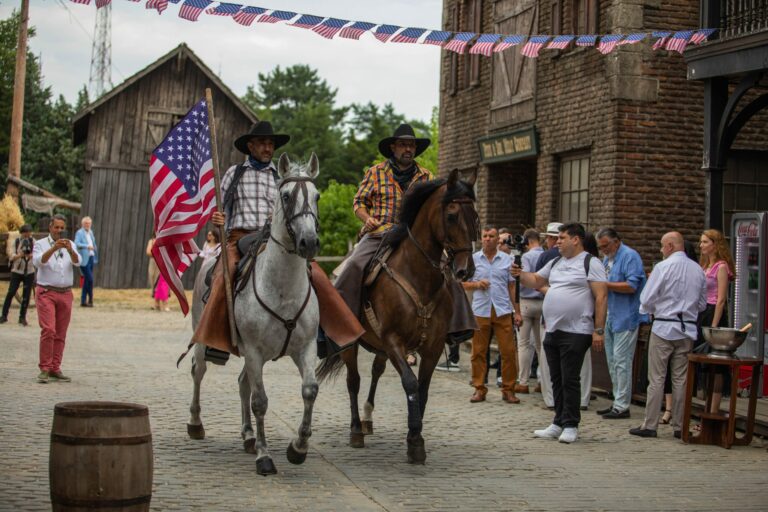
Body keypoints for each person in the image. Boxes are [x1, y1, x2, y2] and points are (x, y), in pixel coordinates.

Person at [332, 123, 476, 355]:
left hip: (414, 236)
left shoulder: (426, 176)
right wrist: (366, 218)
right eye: (403, 145)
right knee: (355, 265)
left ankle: (458, 326)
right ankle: (335, 320)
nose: (408, 149)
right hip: (380, 232)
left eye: (411, 145)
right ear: (393, 148)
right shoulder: (375, 172)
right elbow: (358, 202)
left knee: (446, 269)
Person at [191, 121, 290, 353]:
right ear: (250, 146)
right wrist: (217, 218)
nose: (268, 148)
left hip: (273, 240)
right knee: (221, 276)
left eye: (271, 144)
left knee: (309, 271)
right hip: (239, 238)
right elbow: (219, 206)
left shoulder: (280, 177)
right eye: (263, 143)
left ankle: (319, 334)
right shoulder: (234, 173)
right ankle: (217, 338)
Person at [515, 222, 608, 443]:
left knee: (570, 378)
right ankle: (558, 421)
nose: (557, 242)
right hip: (553, 328)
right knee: (556, 377)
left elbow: (601, 297)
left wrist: (598, 330)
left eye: (562, 238)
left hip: (578, 329)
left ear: (576, 239)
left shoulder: (590, 262)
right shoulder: (557, 261)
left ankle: (571, 424)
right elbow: (536, 280)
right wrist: (520, 274)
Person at [629, 232, 706, 439]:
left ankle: (650, 424)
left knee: (656, 378)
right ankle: (680, 426)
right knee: (680, 379)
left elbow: (646, 298)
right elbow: (701, 304)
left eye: (662, 246)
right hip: (687, 329)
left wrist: (655, 307)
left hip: (664, 327)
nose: (661, 250)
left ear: (670, 246)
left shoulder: (662, 267)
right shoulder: (698, 270)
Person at [463, 227, 522, 404]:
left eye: (492, 236)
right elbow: (460, 283)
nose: (488, 239)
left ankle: (508, 389)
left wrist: (517, 311)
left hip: (502, 310)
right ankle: (479, 388)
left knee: (508, 352)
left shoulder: (507, 259)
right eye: (485, 236)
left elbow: (512, 287)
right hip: (480, 310)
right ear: (481, 239)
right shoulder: (473, 260)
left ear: (498, 240)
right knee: (478, 352)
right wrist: (476, 284)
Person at [595, 228, 646, 420]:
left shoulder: (630, 256)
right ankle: (617, 400)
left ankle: (623, 405)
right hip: (611, 314)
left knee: (622, 360)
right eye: (601, 247)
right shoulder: (606, 259)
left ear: (616, 241)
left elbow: (632, 285)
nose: (604, 250)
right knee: (612, 360)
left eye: (606, 245)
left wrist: (604, 284)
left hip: (626, 315)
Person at [32, 214, 81, 383]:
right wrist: (53, 249)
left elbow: (77, 262)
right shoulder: (39, 244)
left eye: (62, 228)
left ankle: (55, 367)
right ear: (50, 227)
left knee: (61, 333)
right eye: (56, 227)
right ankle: (44, 368)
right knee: (49, 330)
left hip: (65, 293)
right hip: (46, 291)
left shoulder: (70, 244)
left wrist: (69, 250)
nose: (59, 231)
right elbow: (38, 262)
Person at [698, 228, 735, 413]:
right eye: (701, 242)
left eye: (705, 242)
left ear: (715, 244)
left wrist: (714, 325)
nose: (701, 245)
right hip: (702, 311)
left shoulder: (721, 266)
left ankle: (713, 410)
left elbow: (721, 298)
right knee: (703, 362)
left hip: (714, 312)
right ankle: (705, 406)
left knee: (716, 364)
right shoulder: (705, 265)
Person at [516, 228, 544, 394]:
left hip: (526, 301)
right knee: (541, 345)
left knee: (524, 344)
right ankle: (542, 381)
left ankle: (523, 382)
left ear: (527, 242)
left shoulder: (526, 257)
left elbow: (521, 279)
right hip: (542, 301)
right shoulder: (545, 255)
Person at [1, 224, 35, 326]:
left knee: (26, 295)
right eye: (25, 234)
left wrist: (31, 255)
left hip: (29, 270)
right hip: (17, 270)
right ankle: (4, 315)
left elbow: (38, 254)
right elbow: (11, 255)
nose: (27, 236)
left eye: (28, 234)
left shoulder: (33, 241)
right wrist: (20, 255)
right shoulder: (15, 242)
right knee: (11, 292)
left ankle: (22, 317)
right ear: (21, 233)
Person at [75, 216, 98, 307]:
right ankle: (91, 298)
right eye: (86, 223)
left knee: (87, 280)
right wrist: (86, 246)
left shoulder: (91, 232)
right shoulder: (79, 233)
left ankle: (83, 300)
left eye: (89, 223)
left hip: (91, 257)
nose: (87, 225)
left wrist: (94, 249)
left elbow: (93, 243)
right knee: (90, 279)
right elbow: (77, 243)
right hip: (84, 259)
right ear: (82, 224)